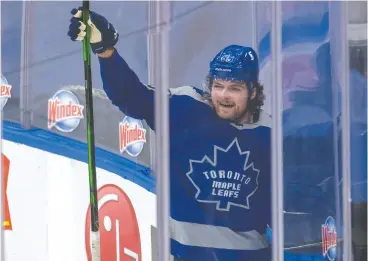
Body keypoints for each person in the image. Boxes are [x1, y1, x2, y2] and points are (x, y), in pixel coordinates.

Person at [68, 7, 272, 261]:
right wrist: (105, 50)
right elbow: (131, 95)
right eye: (218, 86)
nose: (224, 96)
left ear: (253, 92)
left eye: (235, 88)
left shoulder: (269, 134)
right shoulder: (186, 109)